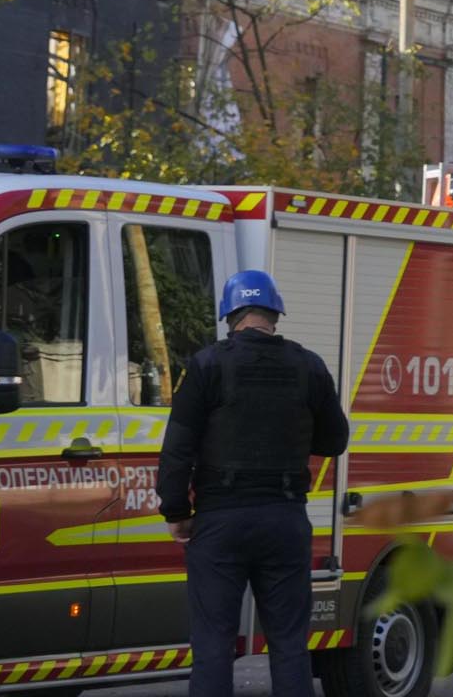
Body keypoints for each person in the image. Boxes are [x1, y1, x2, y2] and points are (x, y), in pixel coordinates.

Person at [160, 270, 351, 697]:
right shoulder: (309, 366)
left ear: (231, 315)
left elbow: (177, 449)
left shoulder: (207, 365)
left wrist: (176, 512)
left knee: (213, 645)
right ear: (274, 314)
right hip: (284, 519)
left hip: (220, 522)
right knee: (289, 645)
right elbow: (335, 440)